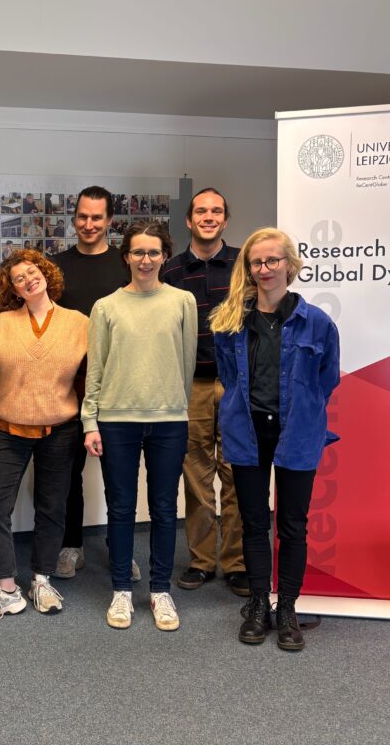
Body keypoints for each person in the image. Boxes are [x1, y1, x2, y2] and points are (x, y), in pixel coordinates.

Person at [211, 228, 340, 651]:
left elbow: (326, 380)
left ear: (290, 265)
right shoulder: (230, 320)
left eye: (272, 261)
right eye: (256, 263)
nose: (264, 269)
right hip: (247, 431)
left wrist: (299, 411)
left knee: (293, 526)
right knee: (252, 522)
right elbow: (230, 379)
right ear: (248, 269)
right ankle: (258, 605)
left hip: (297, 433)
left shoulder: (318, 323)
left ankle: (286, 608)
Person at [82, 220, 197, 631]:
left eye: (153, 252)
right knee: (122, 509)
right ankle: (121, 592)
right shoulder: (106, 307)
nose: (145, 260)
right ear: (126, 257)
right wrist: (89, 421)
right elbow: (96, 369)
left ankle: (161, 591)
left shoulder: (183, 302)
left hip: (168, 420)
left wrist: (176, 408)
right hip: (116, 421)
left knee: (166, 510)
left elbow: (185, 365)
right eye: (137, 252)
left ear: (164, 256)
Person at [0, 250, 87, 620]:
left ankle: (41, 579)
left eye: (32, 272)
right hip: (8, 430)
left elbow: (89, 377)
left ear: (46, 273)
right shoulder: (1, 323)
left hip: (61, 431)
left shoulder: (79, 323)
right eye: (19, 278)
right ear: (13, 289)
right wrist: (9, 401)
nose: (28, 279)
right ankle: (6, 588)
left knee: (52, 507)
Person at [161, 188, 248, 596]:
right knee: (196, 478)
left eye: (216, 210)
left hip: (236, 386)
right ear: (189, 220)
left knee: (236, 475)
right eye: (201, 211)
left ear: (225, 219)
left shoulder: (245, 266)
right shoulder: (171, 271)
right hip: (191, 385)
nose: (208, 217)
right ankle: (201, 561)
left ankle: (236, 563)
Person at [50, 185, 130, 579]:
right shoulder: (56, 267)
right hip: (68, 385)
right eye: (82, 216)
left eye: (97, 217)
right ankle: (71, 545)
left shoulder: (125, 266)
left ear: (109, 221)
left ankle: (121, 546)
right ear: (74, 217)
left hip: (117, 386)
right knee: (67, 472)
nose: (88, 224)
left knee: (120, 473)